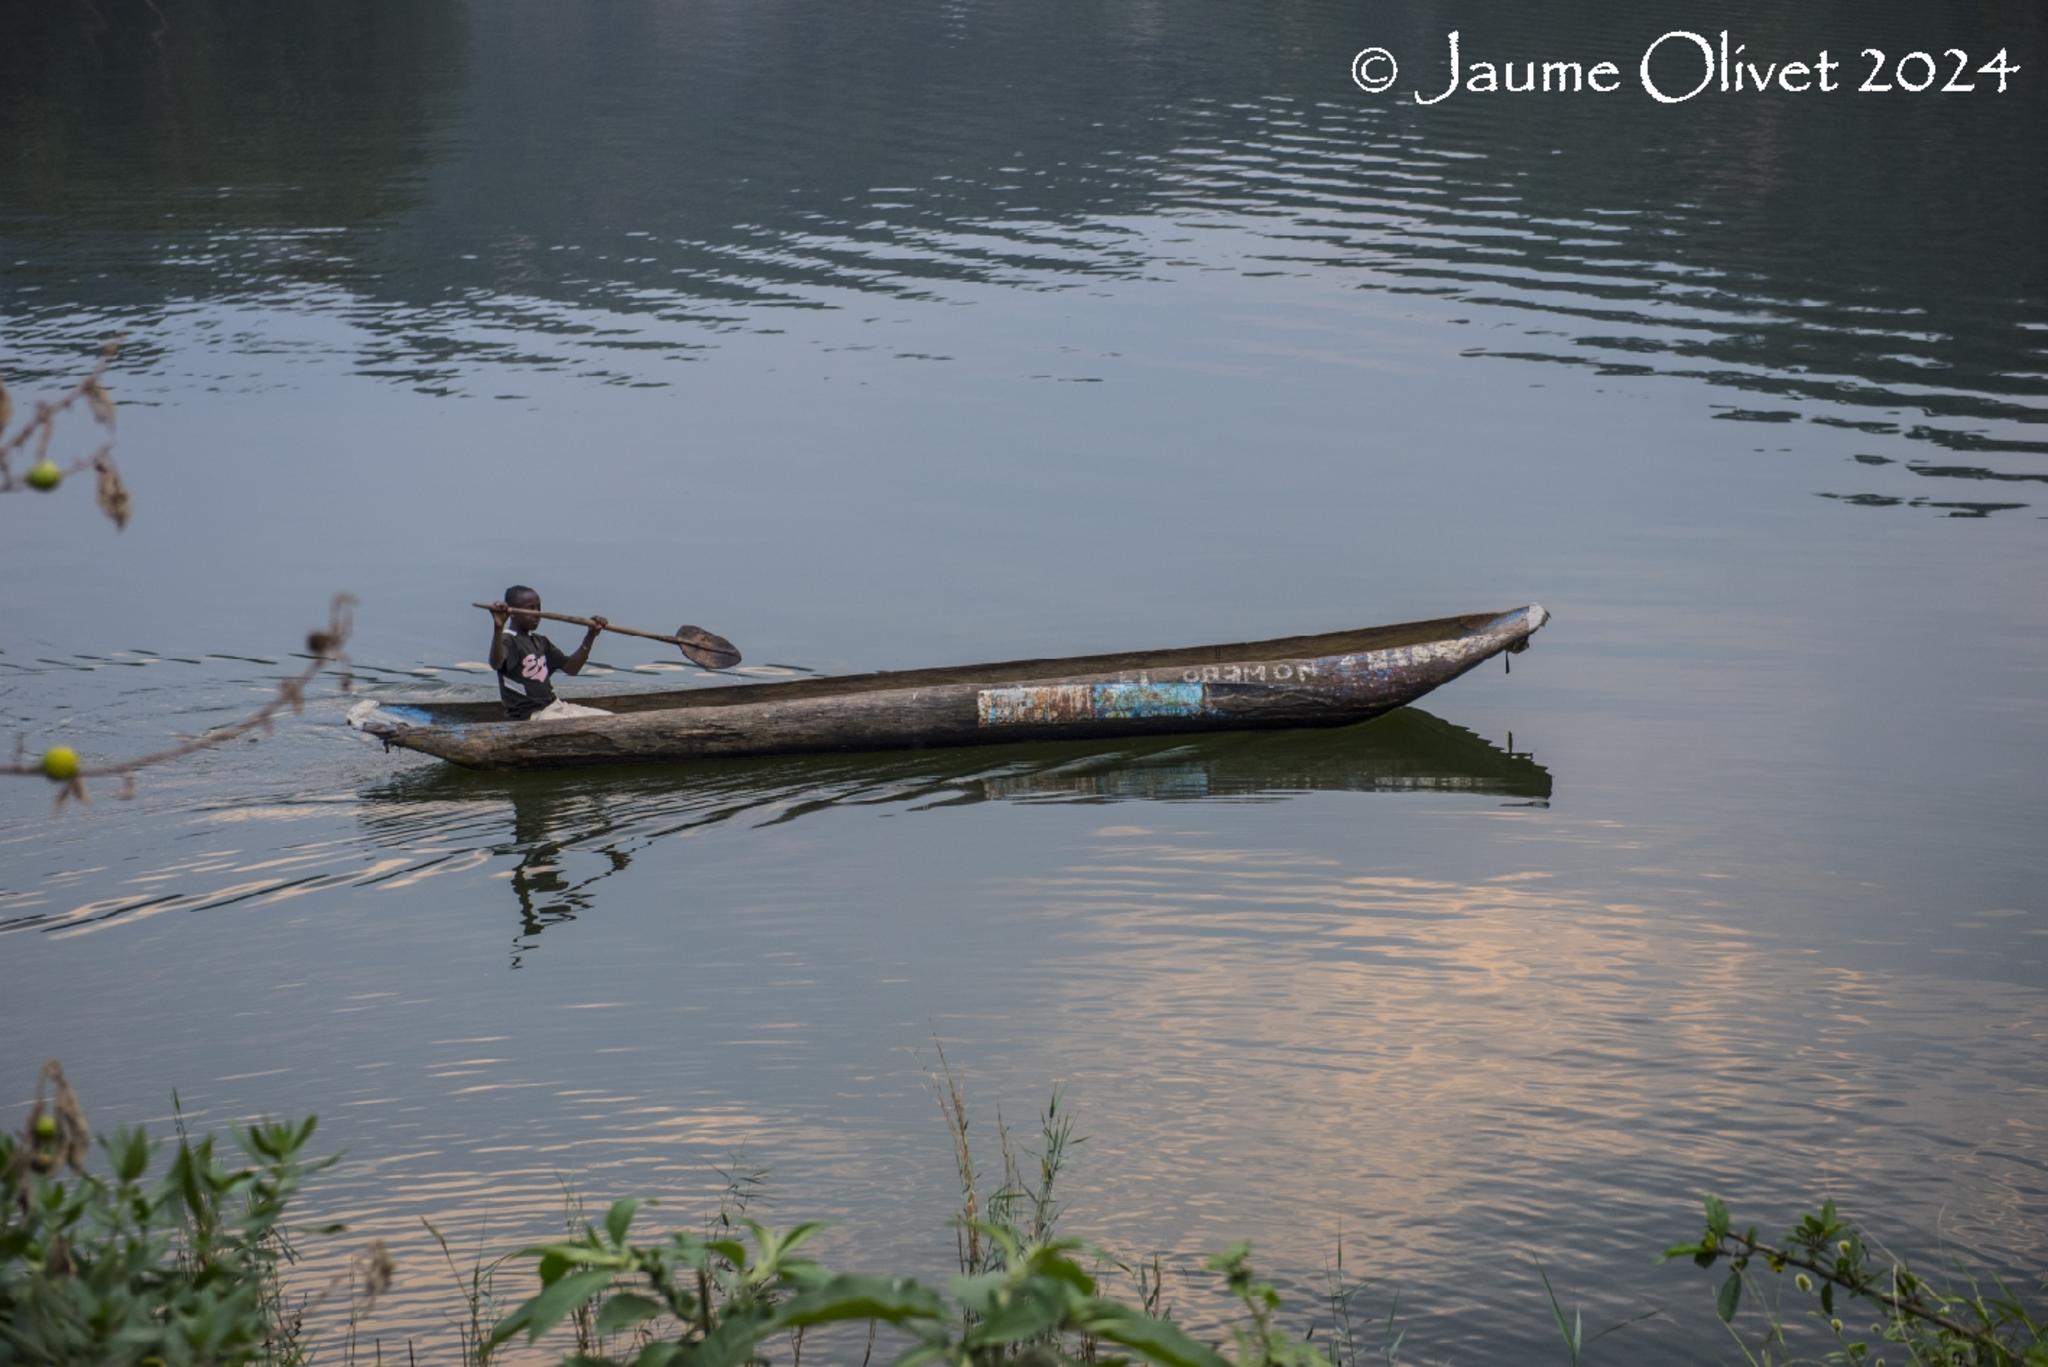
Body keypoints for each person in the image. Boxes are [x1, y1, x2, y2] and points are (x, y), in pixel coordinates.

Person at [489, 586, 611, 721]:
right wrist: (498, 628)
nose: (537, 614)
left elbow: (572, 668)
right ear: (512, 612)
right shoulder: (507, 640)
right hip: (531, 715)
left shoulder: (540, 641)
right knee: (580, 724)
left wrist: (591, 635)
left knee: (609, 718)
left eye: (538, 608)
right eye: (530, 609)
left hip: (554, 706)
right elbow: (496, 663)